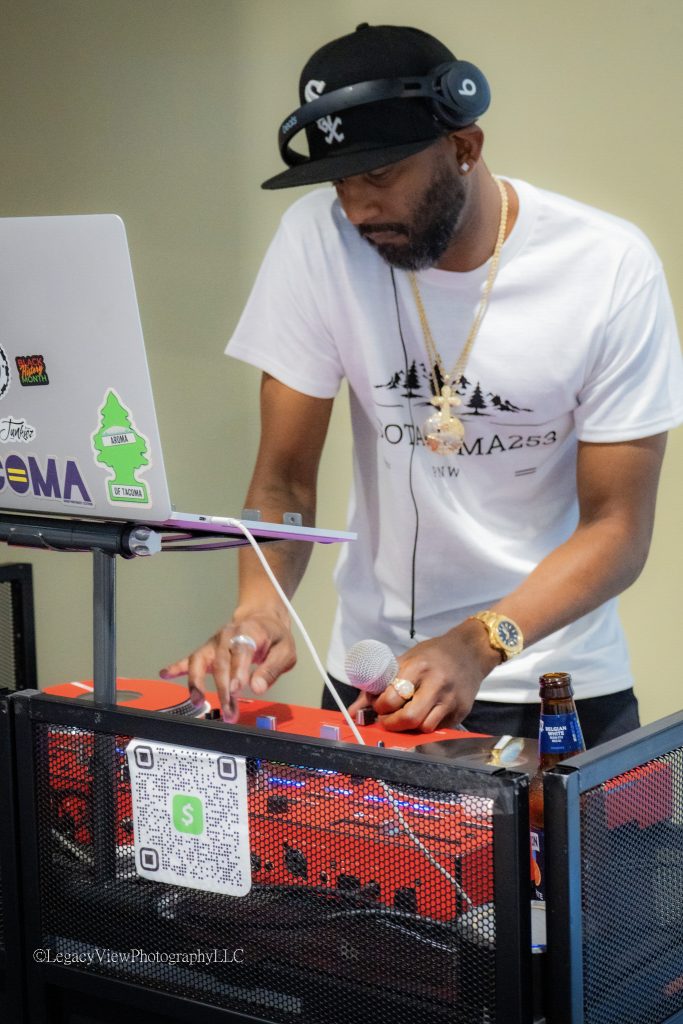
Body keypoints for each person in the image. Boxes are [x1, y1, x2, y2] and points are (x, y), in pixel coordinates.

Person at [161, 23, 683, 748]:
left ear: (464, 147)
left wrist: (478, 643)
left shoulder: (609, 268)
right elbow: (282, 480)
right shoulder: (318, 241)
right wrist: (260, 606)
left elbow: (617, 529)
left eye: (378, 176)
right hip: (375, 682)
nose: (356, 209)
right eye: (339, 182)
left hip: (553, 683)